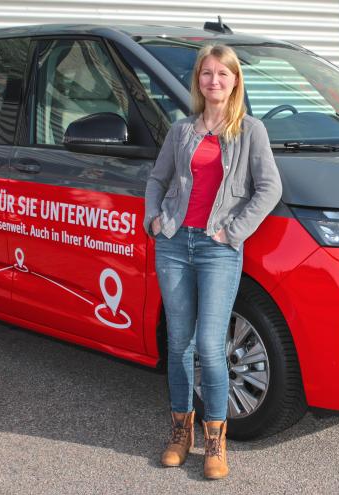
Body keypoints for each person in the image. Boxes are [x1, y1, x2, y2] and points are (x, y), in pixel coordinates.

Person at [142, 44, 282, 480]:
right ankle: (180, 433)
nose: (214, 81)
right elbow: (157, 178)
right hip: (173, 244)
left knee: (209, 345)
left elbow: (269, 188)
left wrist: (233, 232)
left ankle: (215, 441)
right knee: (179, 342)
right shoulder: (181, 130)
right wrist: (154, 219)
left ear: (235, 80)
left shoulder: (251, 131)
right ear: (198, 81)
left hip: (217, 248)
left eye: (222, 74)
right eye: (206, 74)